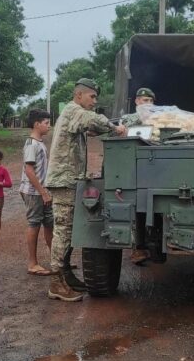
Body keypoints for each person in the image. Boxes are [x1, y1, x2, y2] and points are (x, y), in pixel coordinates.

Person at [44, 78, 127, 302]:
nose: (94, 101)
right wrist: (115, 128)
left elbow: (88, 129)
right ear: (79, 95)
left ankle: (66, 276)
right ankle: (56, 282)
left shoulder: (74, 114)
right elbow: (94, 121)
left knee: (69, 231)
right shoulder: (74, 111)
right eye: (92, 97)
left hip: (69, 179)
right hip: (64, 181)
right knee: (63, 230)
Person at [19, 109, 55, 276]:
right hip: (34, 192)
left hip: (42, 191)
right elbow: (29, 171)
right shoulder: (31, 144)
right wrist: (42, 192)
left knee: (49, 223)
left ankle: (56, 259)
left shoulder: (39, 143)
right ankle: (32, 263)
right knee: (34, 224)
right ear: (36, 124)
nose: (49, 126)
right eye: (46, 123)